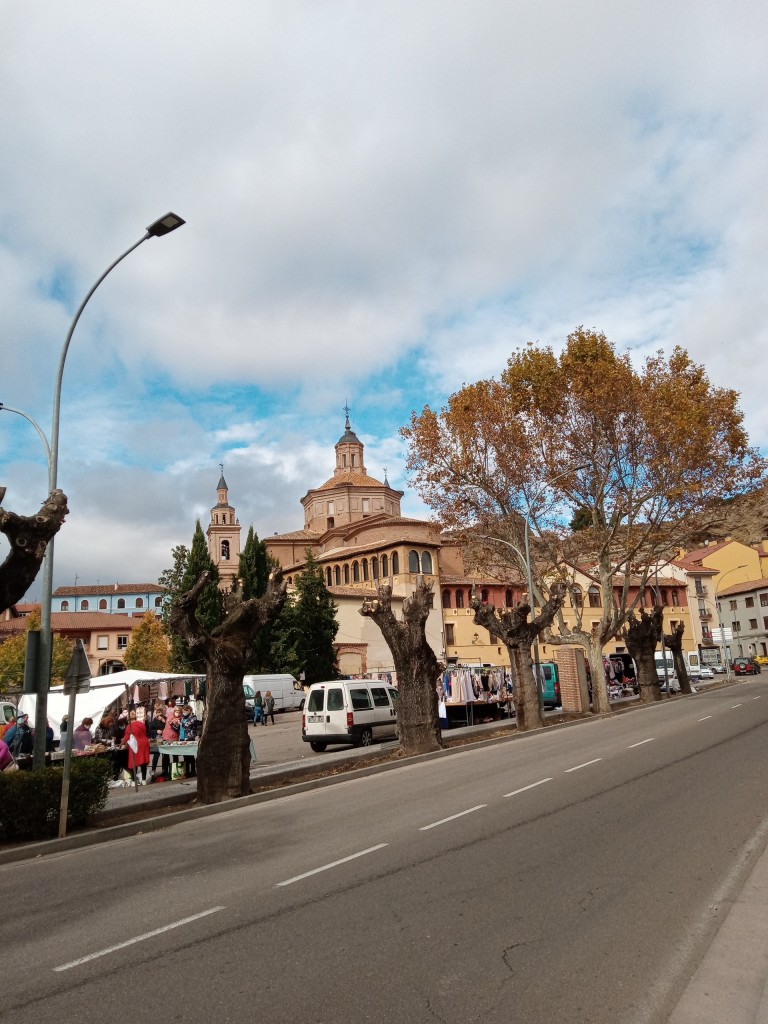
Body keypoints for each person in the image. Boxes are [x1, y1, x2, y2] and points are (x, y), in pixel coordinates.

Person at [122, 709, 151, 785]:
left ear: (129, 719)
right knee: (143, 762)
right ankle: (144, 780)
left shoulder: (129, 726)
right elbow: (144, 733)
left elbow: (126, 737)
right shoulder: (142, 724)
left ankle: (134, 781)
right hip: (144, 743)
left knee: (134, 763)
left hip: (135, 745)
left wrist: (121, 744)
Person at [147, 704, 168, 780]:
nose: (159, 714)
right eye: (157, 712)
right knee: (156, 755)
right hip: (155, 739)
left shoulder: (165, 719)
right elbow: (150, 730)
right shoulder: (154, 721)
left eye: (160, 712)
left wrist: (164, 721)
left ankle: (165, 770)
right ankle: (153, 770)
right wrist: (156, 731)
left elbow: (169, 727)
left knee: (165, 755)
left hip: (164, 738)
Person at [180, 704, 198, 778]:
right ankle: (187, 770)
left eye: (185, 711)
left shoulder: (193, 717)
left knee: (190, 755)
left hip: (190, 737)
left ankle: (193, 770)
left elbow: (187, 725)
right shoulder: (183, 718)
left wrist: (181, 723)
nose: (184, 713)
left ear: (189, 710)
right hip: (183, 737)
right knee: (185, 755)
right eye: (183, 711)